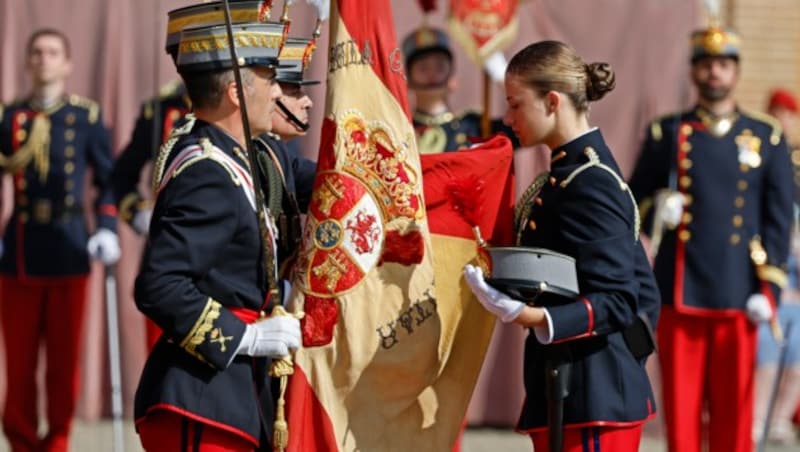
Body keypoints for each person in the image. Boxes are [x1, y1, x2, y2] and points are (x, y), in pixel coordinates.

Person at [463, 40, 659, 452]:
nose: (507, 117)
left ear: (552, 101)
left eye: (516, 104)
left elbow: (620, 299)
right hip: (569, 388)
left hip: (594, 391)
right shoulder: (564, 176)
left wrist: (532, 316)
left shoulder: (590, 182)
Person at [132, 20, 302, 451]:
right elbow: (159, 284)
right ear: (236, 94)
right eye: (269, 81)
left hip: (231, 394)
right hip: (202, 400)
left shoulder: (241, 155)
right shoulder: (209, 172)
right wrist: (244, 337)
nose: (279, 92)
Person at [628, 26, 794, 452]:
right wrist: (658, 208)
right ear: (694, 71)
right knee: (682, 414)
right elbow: (632, 205)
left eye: (723, 64)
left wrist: (771, 287)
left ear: (736, 72)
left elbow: (777, 221)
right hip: (681, 290)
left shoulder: (766, 136)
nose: (714, 72)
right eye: (706, 64)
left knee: (733, 416)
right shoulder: (668, 132)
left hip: (740, 290)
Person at [0, 28, 119, 452]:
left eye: (52, 52)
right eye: (36, 52)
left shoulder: (85, 117)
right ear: (27, 62)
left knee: (64, 362)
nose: (43, 59)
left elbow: (108, 181)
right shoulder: (10, 117)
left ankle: (59, 441)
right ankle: (21, 441)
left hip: (71, 246)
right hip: (19, 250)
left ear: (66, 64)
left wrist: (106, 227)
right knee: (19, 362)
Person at [752, 88, 800, 446]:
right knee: (768, 349)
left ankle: (781, 417)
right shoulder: (761, 154)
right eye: (776, 113)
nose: (782, 121)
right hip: (771, 261)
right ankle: (757, 417)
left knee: (796, 354)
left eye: (787, 114)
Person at [255, 36, 318, 271]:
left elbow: (326, 182)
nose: (307, 102)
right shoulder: (249, 154)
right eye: (294, 92)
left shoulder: (275, 151)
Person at [401, 26, 518, 153]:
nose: (431, 74)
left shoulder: (474, 126)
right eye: (423, 68)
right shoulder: (401, 130)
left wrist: (502, 76)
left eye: (439, 67)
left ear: (452, 79)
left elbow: (522, 129)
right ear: (409, 80)